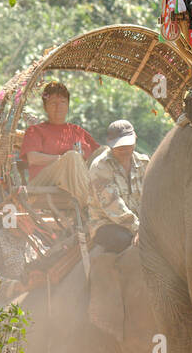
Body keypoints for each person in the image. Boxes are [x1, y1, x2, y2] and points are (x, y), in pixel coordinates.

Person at [19, 82, 99, 208]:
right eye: (53, 103)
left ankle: (128, 200)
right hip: (42, 183)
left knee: (106, 151)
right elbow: (33, 158)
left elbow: (98, 155)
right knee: (72, 156)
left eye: (63, 102)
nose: (59, 107)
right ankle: (91, 208)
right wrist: (64, 160)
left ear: (68, 105)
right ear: (45, 107)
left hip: (74, 181)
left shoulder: (76, 130)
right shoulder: (36, 130)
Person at [88, 119, 148, 253]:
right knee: (123, 240)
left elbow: (155, 197)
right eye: (119, 146)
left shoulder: (144, 163)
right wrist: (138, 229)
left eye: (128, 144)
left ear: (135, 138)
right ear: (109, 144)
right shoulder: (100, 167)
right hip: (107, 223)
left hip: (140, 224)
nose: (124, 149)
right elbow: (113, 205)